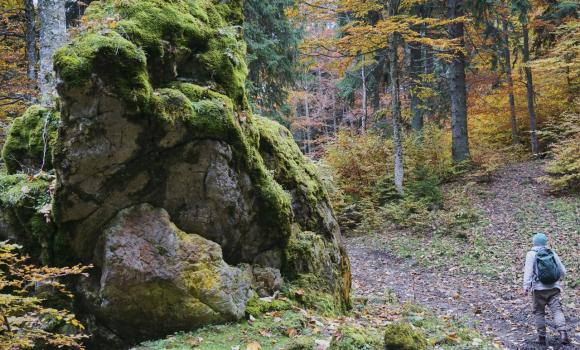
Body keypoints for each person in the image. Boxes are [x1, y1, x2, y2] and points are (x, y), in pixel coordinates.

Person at [523, 232, 570, 345]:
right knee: (557, 310)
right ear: (545, 242)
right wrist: (560, 279)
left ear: (534, 242)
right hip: (554, 287)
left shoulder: (531, 254)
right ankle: (563, 333)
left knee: (539, 312)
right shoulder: (551, 252)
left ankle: (542, 337)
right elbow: (562, 270)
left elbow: (528, 271)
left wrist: (526, 287)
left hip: (538, 289)